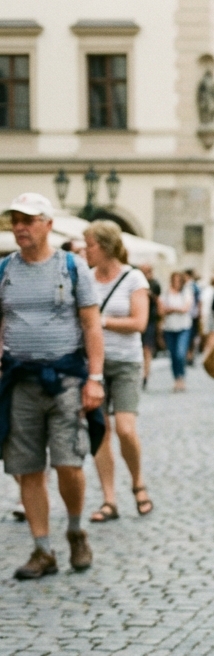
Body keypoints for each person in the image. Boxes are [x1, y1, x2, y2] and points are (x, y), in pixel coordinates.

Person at [0, 192, 104, 579]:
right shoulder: (4, 270)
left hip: (65, 381)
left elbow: (92, 326)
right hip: (20, 381)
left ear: (48, 224)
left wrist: (95, 379)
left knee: (68, 463)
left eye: (28, 220)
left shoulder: (72, 267)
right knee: (26, 468)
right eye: (15, 220)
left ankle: (76, 530)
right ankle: (42, 550)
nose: (20, 227)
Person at [83, 221, 153, 522]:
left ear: (107, 246)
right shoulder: (85, 278)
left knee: (125, 427)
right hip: (93, 364)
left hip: (126, 362)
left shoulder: (133, 278)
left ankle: (138, 481)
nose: (86, 250)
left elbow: (139, 323)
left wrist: (100, 321)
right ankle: (109, 499)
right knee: (101, 432)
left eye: (91, 245)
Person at [159, 272, 193, 392]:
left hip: (183, 327)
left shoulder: (186, 292)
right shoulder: (166, 293)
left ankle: (181, 377)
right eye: (174, 280)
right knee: (173, 355)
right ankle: (176, 379)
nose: (176, 283)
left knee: (180, 353)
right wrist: (174, 309)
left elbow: (186, 308)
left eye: (178, 280)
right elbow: (161, 309)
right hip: (169, 328)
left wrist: (172, 309)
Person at [140, 264, 161, 389]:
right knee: (142, 349)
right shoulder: (136, 282)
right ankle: (142, 373)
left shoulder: (154, 284)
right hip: (142, 318)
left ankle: (146, 374)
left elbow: (158, 302)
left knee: (147, 348)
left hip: (150, 320)